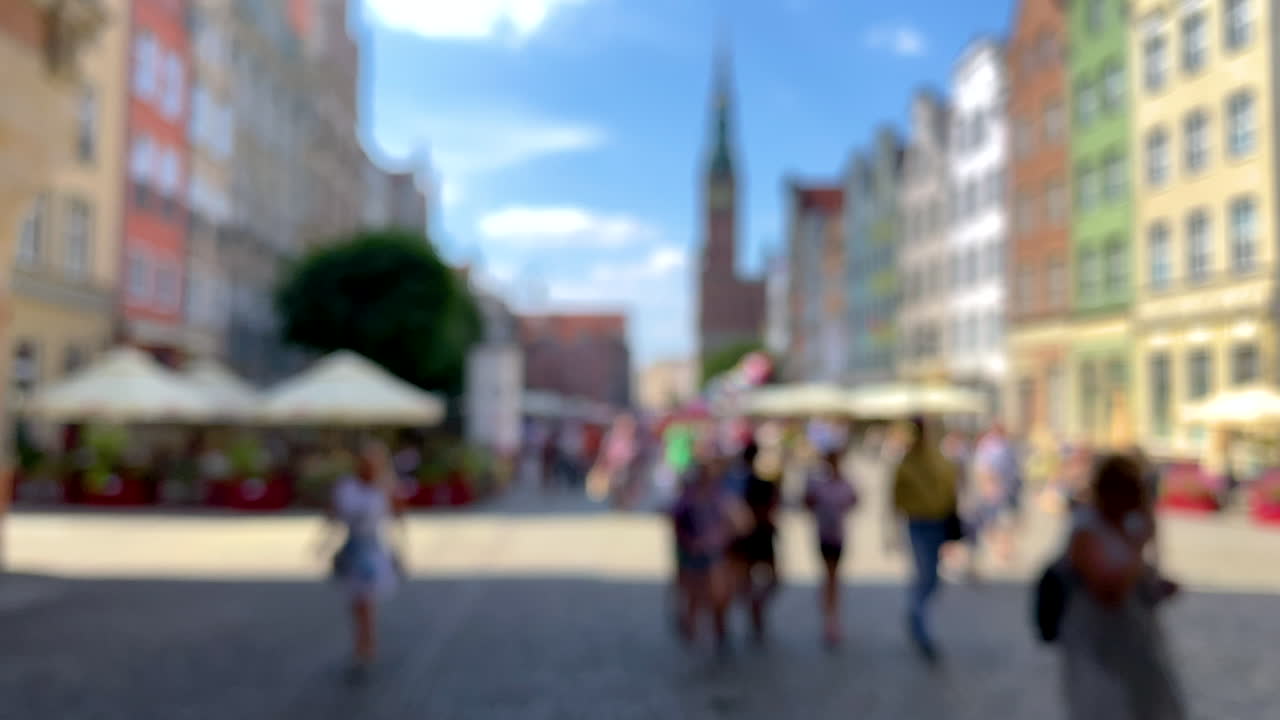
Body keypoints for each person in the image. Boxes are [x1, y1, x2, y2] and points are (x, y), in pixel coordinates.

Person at [1060, 453, 1185, 719]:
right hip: (1097, 638)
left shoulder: (1126, 526)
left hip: (1132, 638)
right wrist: (1139, 547)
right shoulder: (1087, 529)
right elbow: (1109, 590)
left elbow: (1132, 581)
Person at [323, 440, 405, 679]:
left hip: (372, 551)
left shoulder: (385, 488)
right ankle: (364, 645)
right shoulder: (347, 487)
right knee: (357, 603)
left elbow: (398, 518)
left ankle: (365, 647)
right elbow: (332, 513)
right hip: (353, 548)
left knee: (365, 602)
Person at [892, 416, 957, 664]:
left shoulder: (937, 458)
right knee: (925, 574)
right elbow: (897, 496)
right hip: (918, 523)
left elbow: (949, 488)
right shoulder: (907, 462)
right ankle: (919, 622)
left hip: (937, 523)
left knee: (932, 577)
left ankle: (917, 613)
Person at [671, 457, 744, 652]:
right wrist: (690, 543)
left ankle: (717, 629)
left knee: (717, 593)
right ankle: (694, 628)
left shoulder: (721, 497)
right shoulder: (688, 499)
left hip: (716, 553)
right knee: (695, 593)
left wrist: (720, 537)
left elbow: (738, 524)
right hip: (694, 552)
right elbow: (677, 525)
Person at [727, 442, 781, 643]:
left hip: (752, 538)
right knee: (761, 579)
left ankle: (755, 609)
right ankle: (755, 611)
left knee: (750, 580)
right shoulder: (752, 482)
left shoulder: (737, 482)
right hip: (756, 537)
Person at [804, 450, 858, 647]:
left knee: (833, 577)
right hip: (825, 535)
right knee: (829, 576)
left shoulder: (843, 483)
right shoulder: (819, 483)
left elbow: (855, 500)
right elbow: (807, 502)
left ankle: (832, 618)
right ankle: (830, 618)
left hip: (837, 536)